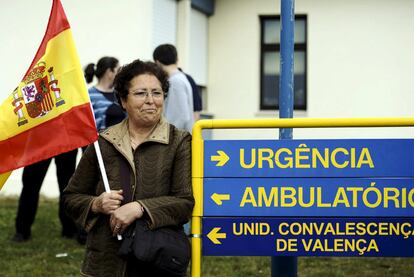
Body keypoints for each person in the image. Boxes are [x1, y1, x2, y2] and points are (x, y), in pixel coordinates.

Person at [63, 59, 194, 276]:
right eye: (141, 93)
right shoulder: (102, 142)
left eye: (157, 93)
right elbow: (71, 197)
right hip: (106, 261)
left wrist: (139, 208)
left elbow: (184, 202)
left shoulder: (179, 141)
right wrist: (96, 204)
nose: (151, 101)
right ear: (123, 100)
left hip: (157, 261)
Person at [11, 149, 79, 242]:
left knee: (67, 186)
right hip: (41, 142)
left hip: (66, 141)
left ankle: (69, 228)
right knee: (30, 185)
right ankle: (22, 230)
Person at [153, 44, 194, 133]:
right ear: (176, 59)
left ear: (157, 62)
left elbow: (181, 116)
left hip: (177, 140)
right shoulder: (181, 78)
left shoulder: (175, 81)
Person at [84, 56, 125, 131]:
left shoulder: (120, 94)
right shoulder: (90, 95)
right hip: (102, 140)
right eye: (118, 70)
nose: (121, 74)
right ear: (109, 72)